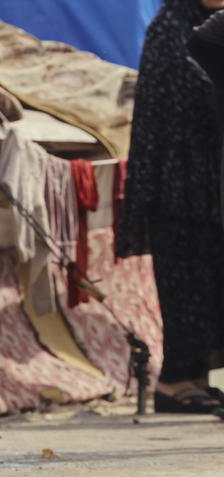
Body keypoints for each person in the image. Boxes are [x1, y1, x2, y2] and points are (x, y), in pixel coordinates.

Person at [120, 0, 224, 413]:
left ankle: (194, 378)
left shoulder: (205, 27)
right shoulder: (172, 29)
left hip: (202, 183)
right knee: (184, 284)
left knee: (206, 285)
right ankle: (174, 382)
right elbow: (186, 95)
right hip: (174, 182)